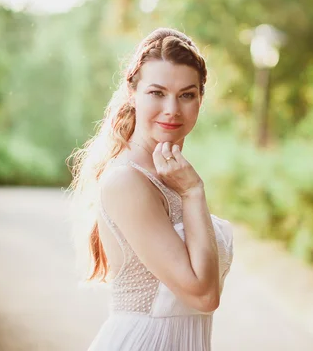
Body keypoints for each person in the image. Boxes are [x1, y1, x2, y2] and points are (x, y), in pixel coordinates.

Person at [67, 28, 234, 351]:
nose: (172, 109)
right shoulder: (128, 180)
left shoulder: (169, 172)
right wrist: (193, 192)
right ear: (133, 92)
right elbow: (204, 294)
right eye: (157, 93)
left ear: (201, 98)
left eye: (186, 94)